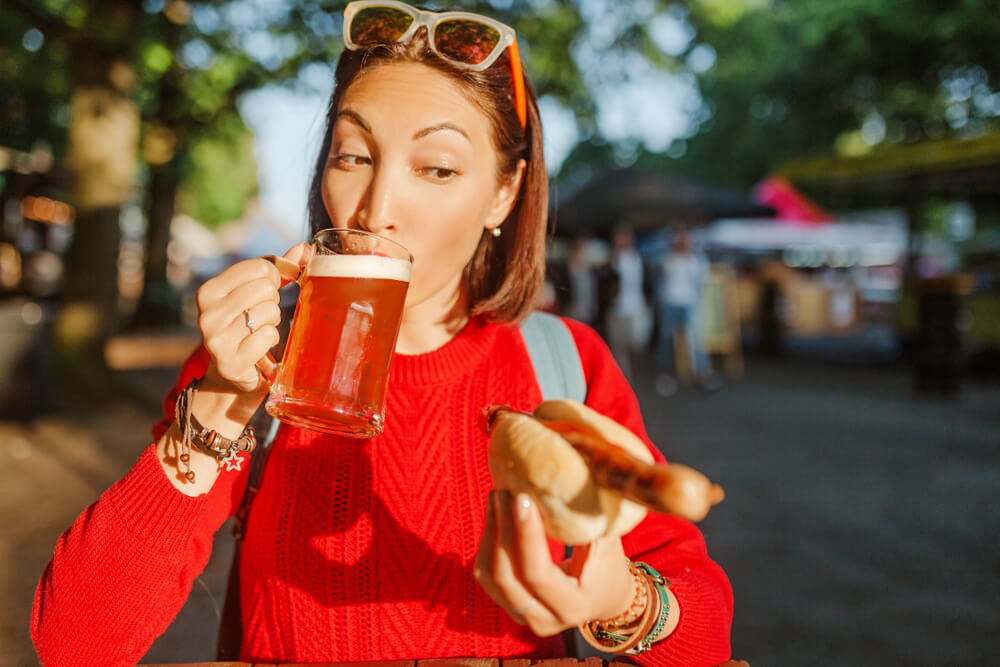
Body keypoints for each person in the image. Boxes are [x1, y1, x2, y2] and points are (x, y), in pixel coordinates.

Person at [31, 3, 733, 666]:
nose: (376, 209)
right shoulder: (253, 361)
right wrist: (217, 404)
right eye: (353, 156)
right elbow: (73, 640)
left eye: (436, 167)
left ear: (503, 193)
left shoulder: (564, 363)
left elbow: (703, 627)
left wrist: (624, 602)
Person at [655, 230, 713, 395]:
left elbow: (703, 281)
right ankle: (666, 374)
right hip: (670, 302)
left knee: (696, 340)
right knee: (667, 340)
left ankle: (702, 373)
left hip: (689, 303)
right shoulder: (668, 260)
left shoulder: (696, 261)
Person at [602, 225, 652, 384]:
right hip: (617, 309)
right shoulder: (612, 261)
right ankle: (624, 379)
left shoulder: (639, 259)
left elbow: (647, 284)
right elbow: (604, 284)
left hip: (635, 309)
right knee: (618, 347)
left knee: (637, 343)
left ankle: (638, 373)